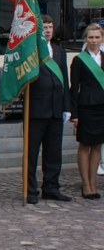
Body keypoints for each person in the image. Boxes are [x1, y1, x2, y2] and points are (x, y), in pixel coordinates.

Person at [26, 15, 72, 204]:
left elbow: (65, 81)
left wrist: (67, 107)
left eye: (50, 27)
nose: (48, 30)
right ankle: (30, 189)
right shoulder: (31, 51)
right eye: (44, 27)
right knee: (31, 153)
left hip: (55, 109)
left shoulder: (60, 51)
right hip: (36, 109)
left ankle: (51, 187)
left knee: (54, 152)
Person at [70, 23, 104, 199]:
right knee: (85, 145)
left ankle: (93, 183)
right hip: (86, 107)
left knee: (97, 145)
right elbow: (74, 88)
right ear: (85, 39)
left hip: (102, 107)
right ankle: (85, 184)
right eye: (91, 37)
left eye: (97, 37)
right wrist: (74, 113)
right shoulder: (79, 60)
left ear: (102, 39)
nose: (94, 41)